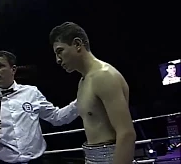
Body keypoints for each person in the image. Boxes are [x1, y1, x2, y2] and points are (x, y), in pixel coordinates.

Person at [0, 50, 79, 163]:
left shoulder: (31, 92)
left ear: (13, 69)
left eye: (0, 66)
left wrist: (80, 102)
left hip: (37, 161)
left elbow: (57, 117)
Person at [49, 22, 137, 164]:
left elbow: (126, 133)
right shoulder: (84, 81)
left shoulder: (104, 76)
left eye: (60, 51)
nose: (58, 60)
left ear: (77, 44)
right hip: (92, 158)